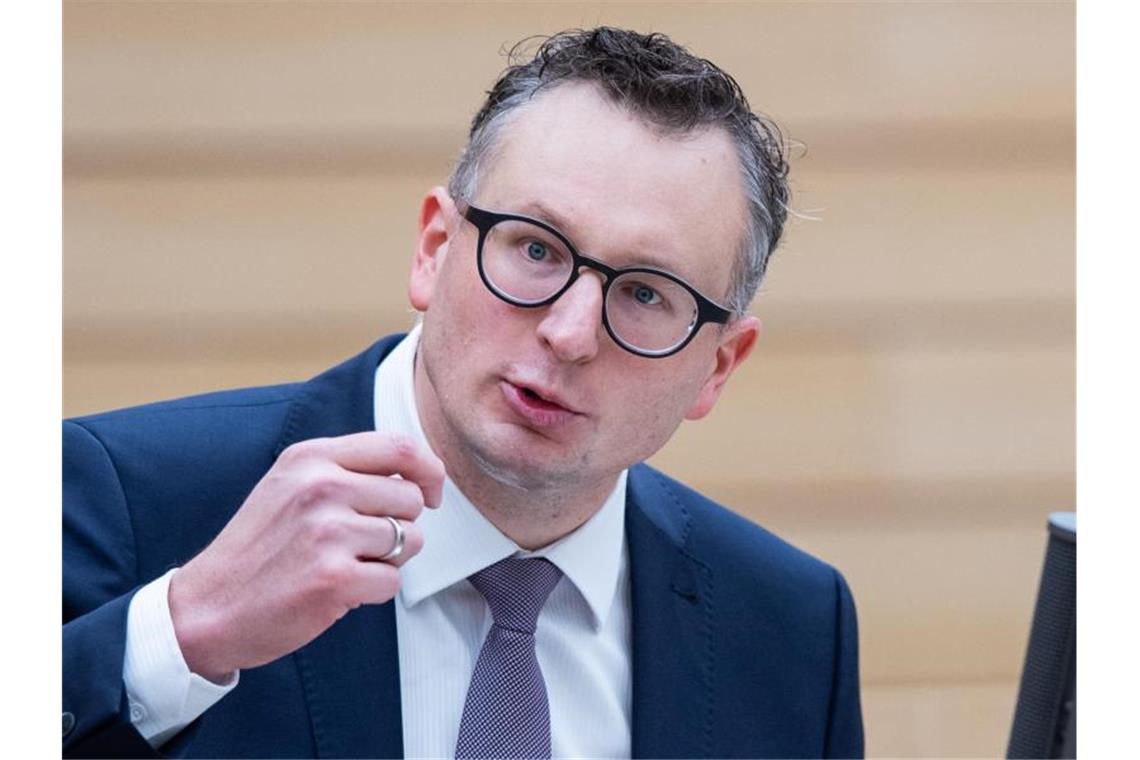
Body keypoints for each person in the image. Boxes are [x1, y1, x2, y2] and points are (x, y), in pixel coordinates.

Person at [63, 27, 863, 759]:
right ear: (434, 248)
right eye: (537, 250)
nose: (571, 333)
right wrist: (180, 634)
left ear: (719, 365)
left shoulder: (792, 628)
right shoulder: (125, 496)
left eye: (646, 294)